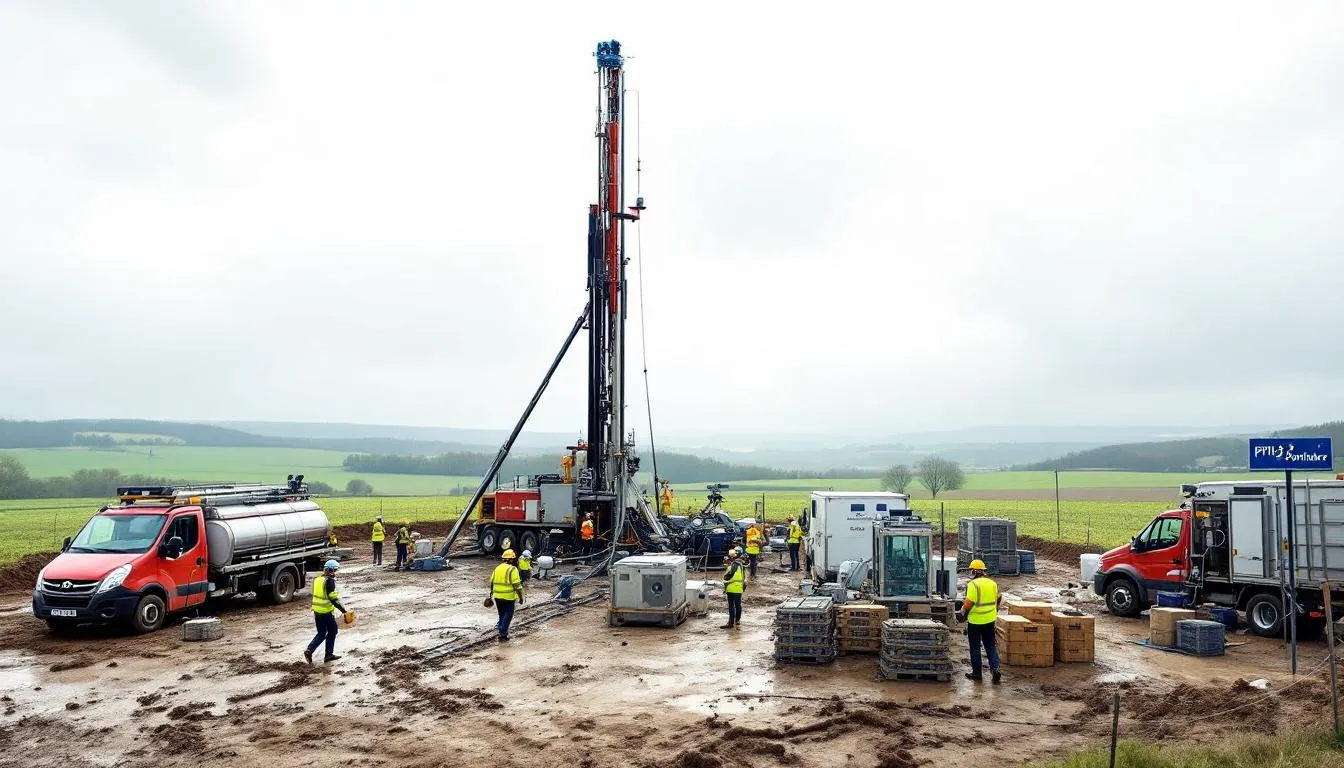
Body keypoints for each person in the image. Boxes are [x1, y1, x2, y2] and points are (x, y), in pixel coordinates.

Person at [958, 559, 1002, 684]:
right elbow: (999, 598)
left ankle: (977, 673)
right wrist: (995, 610)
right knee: (990, 646)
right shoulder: (993, 583)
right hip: (990, 620)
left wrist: (962, 614)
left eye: (971, 570)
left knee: (975, 647)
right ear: (983, 571)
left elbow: (968, 603)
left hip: (975, 621)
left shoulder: (973, 585)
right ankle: (995, 669)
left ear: (974, 571)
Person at [305, 559, 349, 664]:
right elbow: (333, 599)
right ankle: (328, 655)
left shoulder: (318, 579)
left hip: (317, 611)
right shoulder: (329, 582)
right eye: (334, 570)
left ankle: (309, 650)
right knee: (333, 631)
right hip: (326, 612)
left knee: (321, 633)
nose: (335, 573)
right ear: (331, 570)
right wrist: (344, 611)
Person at [488, 549, 525, 641]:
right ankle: (503, 633)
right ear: (511, 559)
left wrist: (492, 594)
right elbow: (517, 585)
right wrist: (521, 597)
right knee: (508, 615)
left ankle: (501, 628)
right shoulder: (512, 569)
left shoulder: (497, 568)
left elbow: (491, 581)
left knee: (501, 615)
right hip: (508, 597)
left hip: (497, 597)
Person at [721, 547, 745, 629]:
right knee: (738, 605)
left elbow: (726, 578)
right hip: (739, 589)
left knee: (731, 606)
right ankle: (737, 620)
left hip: (731, 589)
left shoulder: (730, 567)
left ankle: (730, 622)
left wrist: (725, 581)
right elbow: (743, 578)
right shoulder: (741, 566)